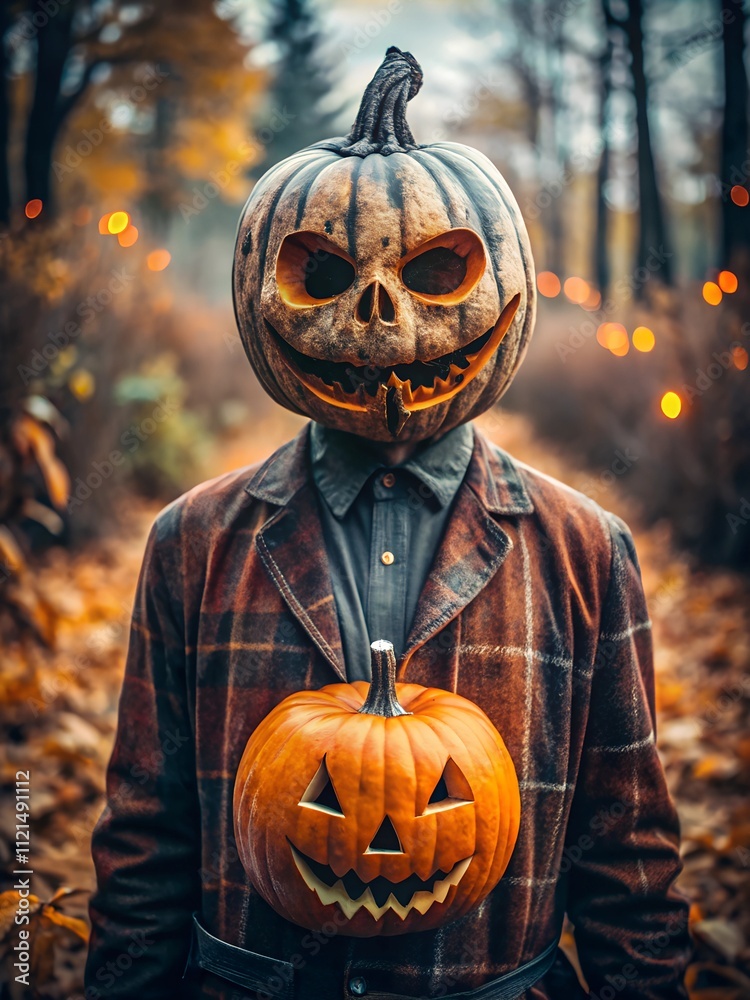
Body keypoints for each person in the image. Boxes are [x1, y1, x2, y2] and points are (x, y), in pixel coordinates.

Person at [86, 47, 691, 1000]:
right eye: (320, 272)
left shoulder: (585, 553)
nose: (380, 318)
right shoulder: (193, 546)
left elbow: (629, 858)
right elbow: (143, 839)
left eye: (438, 273)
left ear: (506, 286)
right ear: (258, 288)